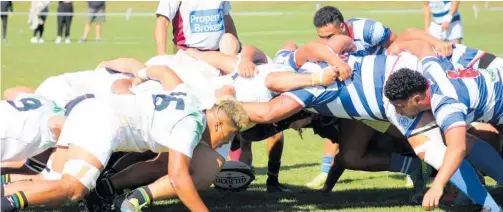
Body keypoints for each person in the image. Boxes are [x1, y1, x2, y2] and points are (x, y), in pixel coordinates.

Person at [154, 0, 240, 55]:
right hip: (187, 54)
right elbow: (162, 21)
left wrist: (237, 45)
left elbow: (226, 17)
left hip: (218, 53)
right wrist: (161, 54)